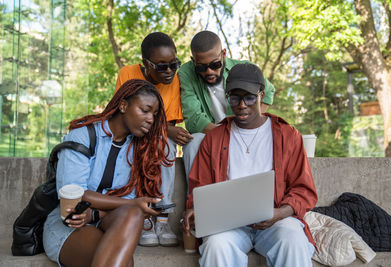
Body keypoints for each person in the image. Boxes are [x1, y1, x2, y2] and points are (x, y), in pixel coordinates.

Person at [181, 63, 318, 267]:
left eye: (249, 97)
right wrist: (196, 209)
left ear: (262, 95)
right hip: (228, 223)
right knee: (217, 246)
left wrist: (279, 213)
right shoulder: (215, 138)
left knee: (293, 240)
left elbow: (303, 190)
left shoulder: (288, 136)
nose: (241, 105)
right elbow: (199, 188)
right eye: (234, 98)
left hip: (276, 220)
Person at [43, 79, 171, 267]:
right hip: (71, 224)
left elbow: (129, 206)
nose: (151, 119)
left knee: (134, 214)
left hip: (107, 221)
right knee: (124, 262)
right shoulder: (82, 136)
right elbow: (75, 193)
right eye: (145, 110)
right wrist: (133, 203)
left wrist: (94, 214)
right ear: (123, 105)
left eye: (154, 114)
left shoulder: (140, 149)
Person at [115, 32, 191, 246]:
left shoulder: (174, 80)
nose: (169, 71)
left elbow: (170, 126)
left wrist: (165, 131)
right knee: (138, 146)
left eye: (173, 64)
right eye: (161, 66)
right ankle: (144, 217)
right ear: (145, 64)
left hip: (158, 138)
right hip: (131, 133)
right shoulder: (128, 74)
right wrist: (164, 129)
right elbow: (122, 116)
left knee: (165, 144)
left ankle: (162, 217)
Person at [178, 30, 275, 180]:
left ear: (223, 54)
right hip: (210, 133)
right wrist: (225, 137)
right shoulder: (185, 72)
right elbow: (193, 118)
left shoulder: (243, 68)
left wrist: (252, 121)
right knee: (193, 142)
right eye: (201, 67)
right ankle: (196, 200)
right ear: (193, 61)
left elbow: (268, 91)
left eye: (215, 64)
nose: (209, 71)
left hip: (242, 130)